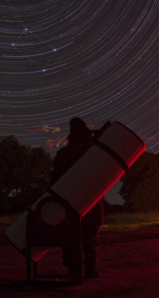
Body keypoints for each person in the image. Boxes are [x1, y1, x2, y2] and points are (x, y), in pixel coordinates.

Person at [51, 117, 104, 279]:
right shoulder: (90, 155)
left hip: (75, 203)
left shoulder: (66, 154)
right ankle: (87, 268)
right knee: (88, 238)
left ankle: (78, 269)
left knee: (78, 238)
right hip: (84, 202)